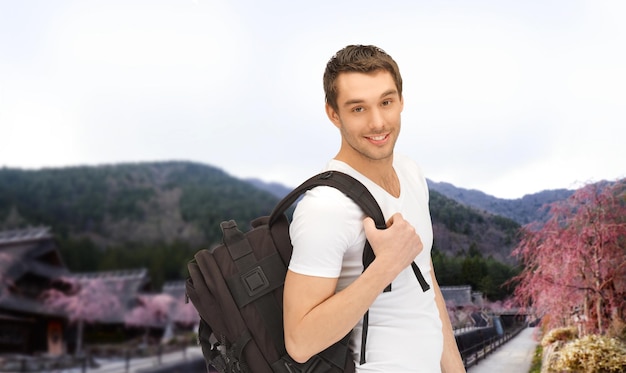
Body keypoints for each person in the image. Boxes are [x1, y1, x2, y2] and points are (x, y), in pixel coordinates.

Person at [283, 45, 466, 373]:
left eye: (386, 102)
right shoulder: (326, 207)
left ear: (401, 101)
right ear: (333, 114)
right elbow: (299, 341)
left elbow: (426, 282)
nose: (378, 122)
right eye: (358, 109)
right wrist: (386, 266)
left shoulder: (410, 172)